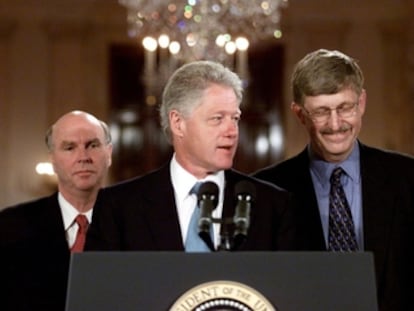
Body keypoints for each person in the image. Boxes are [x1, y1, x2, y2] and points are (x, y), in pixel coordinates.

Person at [253, 49, 414, 311]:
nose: (335, 124)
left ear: (361, 103)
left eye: (345, 107)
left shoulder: (407, 178)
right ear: (300, 114)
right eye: (321, 112)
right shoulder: (265, 191)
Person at [86, 60, 295, 252]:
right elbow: (99, 289)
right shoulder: (118, 207)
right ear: (178, 123)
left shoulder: (273, 205)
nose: (232, 131)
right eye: (217, 118)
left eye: (235, 118)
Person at [0, 110, 113, 311]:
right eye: (69, 148)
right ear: (52, 159)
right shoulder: (10, 227)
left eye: (93, 145)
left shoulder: (135, 224)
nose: (83, 157)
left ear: (109, 153)